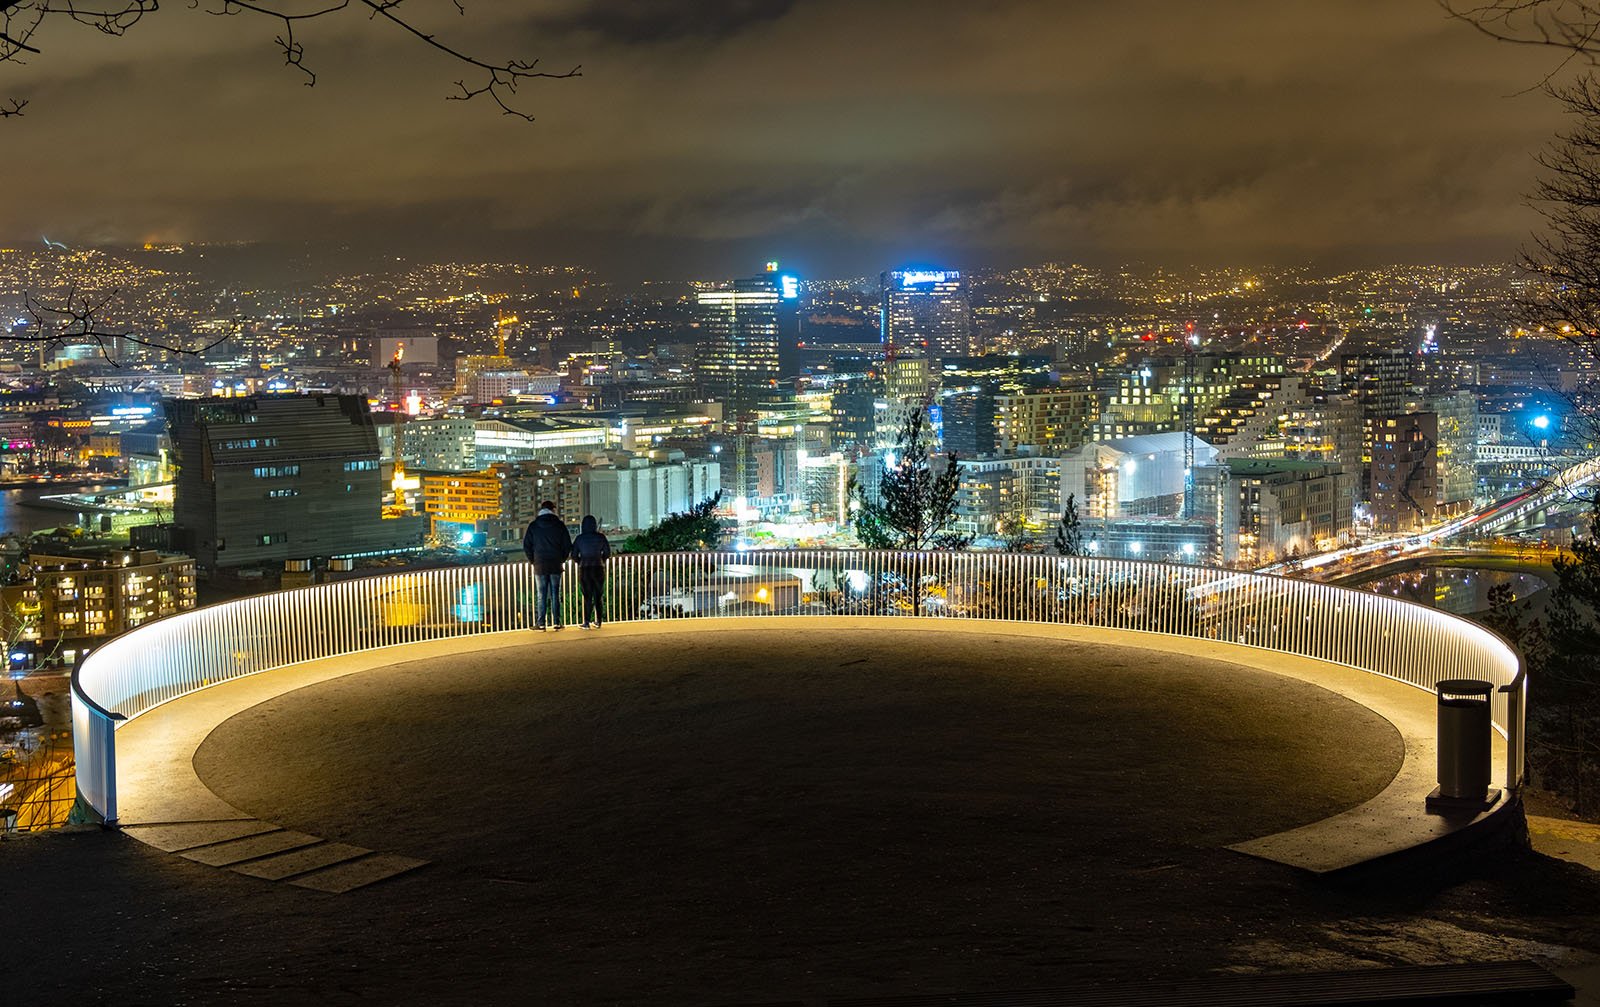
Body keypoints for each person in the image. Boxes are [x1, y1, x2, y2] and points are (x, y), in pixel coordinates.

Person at [522, 500, 572, 631]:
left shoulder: (533, 525)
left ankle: (541, 623)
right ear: (553, 510)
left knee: (541, 594)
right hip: (555, 564)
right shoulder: (559, 525)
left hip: (540, 565)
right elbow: (568, 545)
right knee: (556, 594)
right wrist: (562, 559)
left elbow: (526, 545)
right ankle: (556, 622)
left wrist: (533, 560)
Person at [570, 514, 612, 629]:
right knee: (598, 596)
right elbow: (607, 553)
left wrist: (580, 561)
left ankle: (586, 622)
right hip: (598, 568)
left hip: (585, 569)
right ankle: (599, 621)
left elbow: (573, 555)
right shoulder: (601, 537)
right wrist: (601, 560)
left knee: (587, 596)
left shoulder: (579, 538)